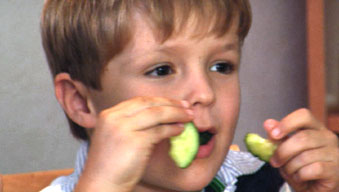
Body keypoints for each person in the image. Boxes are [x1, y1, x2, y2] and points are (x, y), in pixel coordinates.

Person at [40, 0, 339, 191]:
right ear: (80, 102)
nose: (205, 93)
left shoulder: (272, 183)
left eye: (221, 66)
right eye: (161, 70)